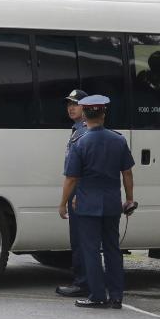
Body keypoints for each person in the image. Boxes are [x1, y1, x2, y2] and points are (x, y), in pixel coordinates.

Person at [58, 95, 135, 309]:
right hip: (112, 203)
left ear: (86, 116)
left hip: (86, 204)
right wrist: (129, 199)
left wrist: (63, 203)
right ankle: (117, 296)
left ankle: (97, 295)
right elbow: (127, 173)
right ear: (103, 114)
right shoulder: (118, 140)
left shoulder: (80, 142)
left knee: (90, 250)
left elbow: (72, 178)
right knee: (112, 249)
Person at [55, 89, 89, 297]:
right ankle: (85, 280)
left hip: (80, 191)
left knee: (80, 239)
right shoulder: (78, 130)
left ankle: (83, 282)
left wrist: (64, 201)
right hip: (84, 190)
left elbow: (74, 174)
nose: (71, 107)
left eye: (75, 104)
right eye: (69, 104)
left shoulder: (83, 133)